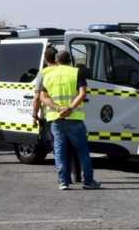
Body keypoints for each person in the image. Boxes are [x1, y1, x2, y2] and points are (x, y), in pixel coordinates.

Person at [40, 50, 100, 190]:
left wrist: (57, 108)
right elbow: (83, 93)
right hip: (74, 118)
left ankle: (63, 181)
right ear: (70, 60)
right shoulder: (76, 72)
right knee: (82, 150)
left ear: (57, 61)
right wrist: (70, 108)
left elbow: (43, 97)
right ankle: (89, 181)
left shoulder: (48, 74)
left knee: (60, 150)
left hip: (56, 119)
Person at [32, 46, 81, 183]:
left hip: (53, 116)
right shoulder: (71, 71)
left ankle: (64, 177)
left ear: (46, 60)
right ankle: (77, 175)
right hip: (72, 113)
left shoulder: (44, 73)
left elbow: (37, 98)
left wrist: (35, 115)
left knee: (58, 147)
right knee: (72, 146)